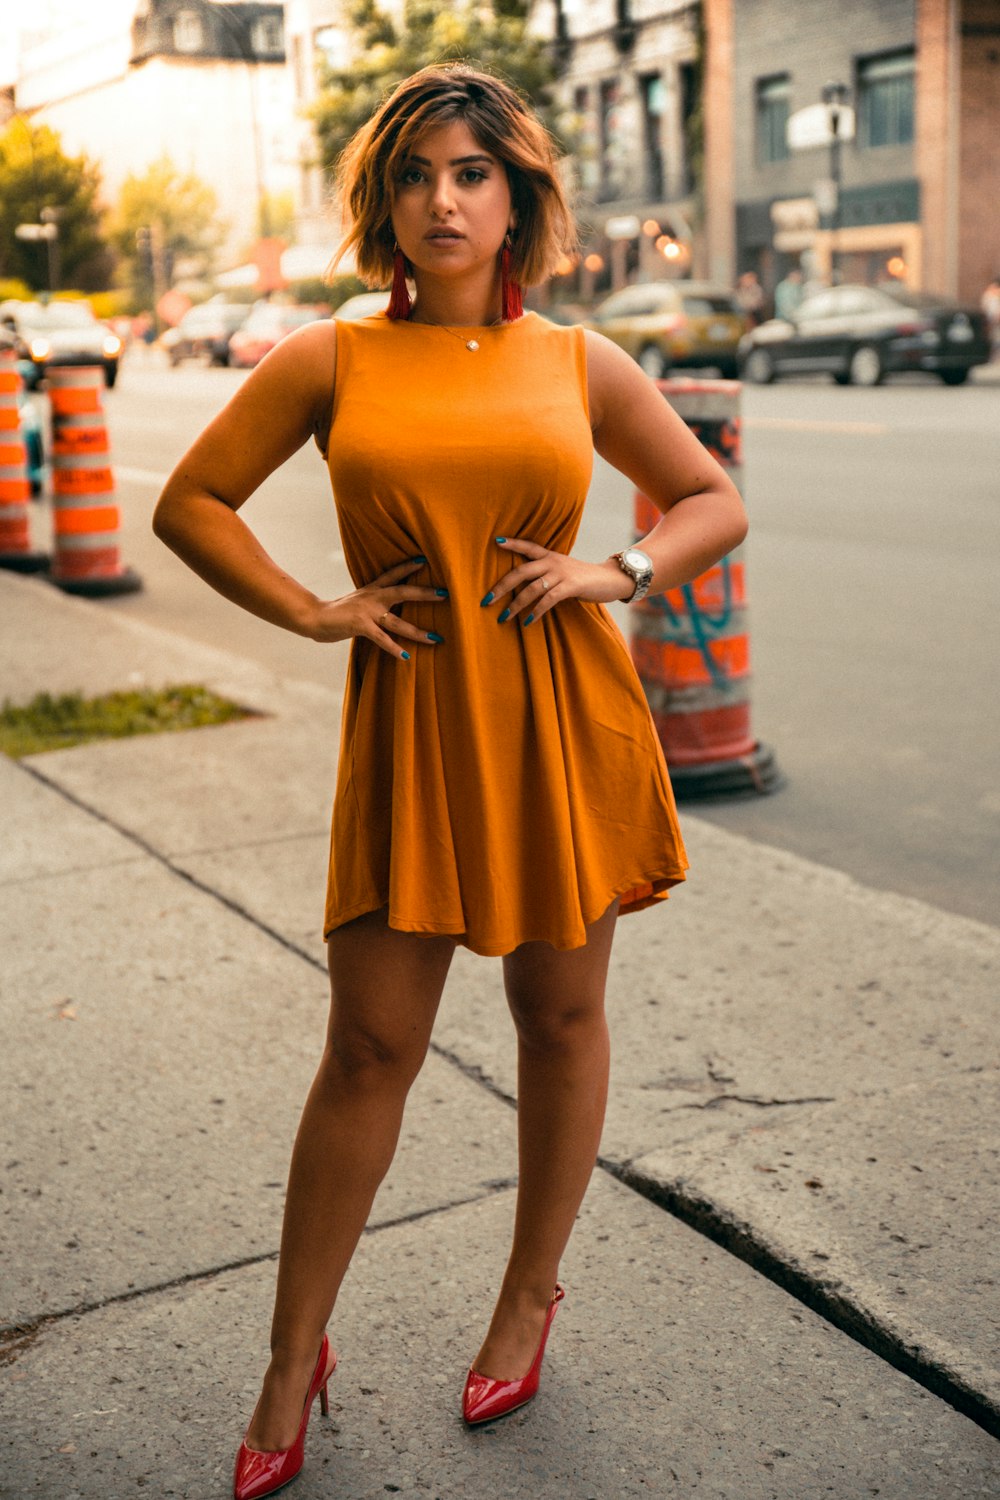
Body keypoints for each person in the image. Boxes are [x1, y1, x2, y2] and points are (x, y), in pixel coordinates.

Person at [153, 63, 747, 1500]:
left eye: (473, 172)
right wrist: (312, 611)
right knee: (369, 1046)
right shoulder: (330, 357)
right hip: (416, 724)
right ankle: (295, 1354)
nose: (444, 199)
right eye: (417, 174)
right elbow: (188, 504)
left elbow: (716, 500)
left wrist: (618, 568)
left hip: (561, 726)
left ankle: (529, 1295)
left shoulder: (581, 362)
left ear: (519, 196)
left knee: (560, 1017)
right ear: (385, 202)